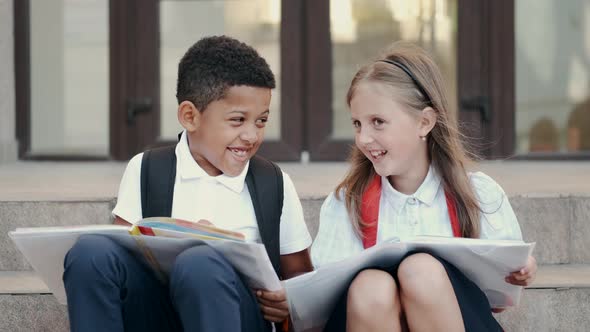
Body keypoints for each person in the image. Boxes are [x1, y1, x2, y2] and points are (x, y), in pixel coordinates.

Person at [63, 35, 313, 332]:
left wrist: (288, 299)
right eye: (237, 120)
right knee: (90, 253)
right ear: (190, 116)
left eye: (261, 121)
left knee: (201, 263)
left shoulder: (273, 184)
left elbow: (300, 276)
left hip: (236, 315)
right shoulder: (146, 169)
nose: (251, 135)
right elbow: (122, 258)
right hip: (159, 313)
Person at [311, 42, 537, 332]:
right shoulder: (348, 202)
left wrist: (522, 270)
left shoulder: (478, 193)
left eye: (378, 122)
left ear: (424, 122)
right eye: (357, 124)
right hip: (368, 318)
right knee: (371, 287)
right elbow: (321, 298)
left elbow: (502, 290)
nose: (364, 138)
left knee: (421, 272)